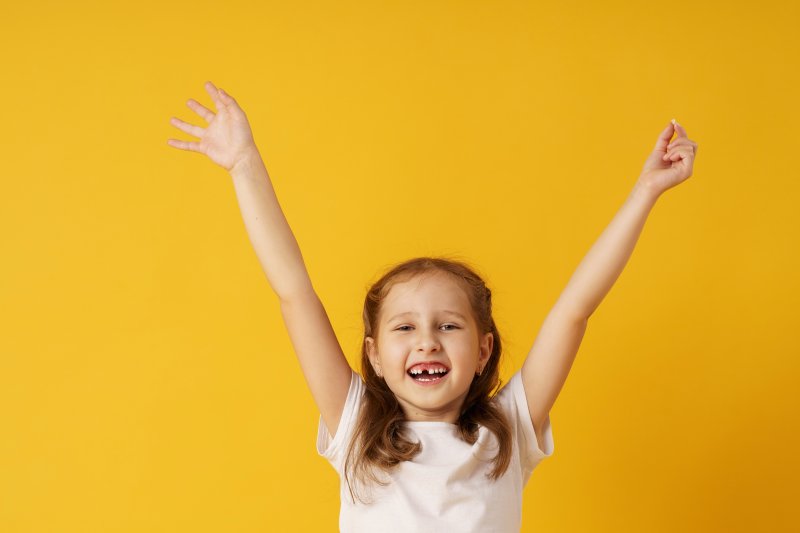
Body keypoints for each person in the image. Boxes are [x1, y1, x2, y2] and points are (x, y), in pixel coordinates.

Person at [167, 81, 698, 532]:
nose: (427, 340)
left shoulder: (510, 430)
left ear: (484, 349)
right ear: (374, 355)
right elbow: (293, 289)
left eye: (448, 325)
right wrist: (243, 164)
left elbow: (575, 308)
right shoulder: (355, 429)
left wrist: (645, 193)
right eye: (405, 327)